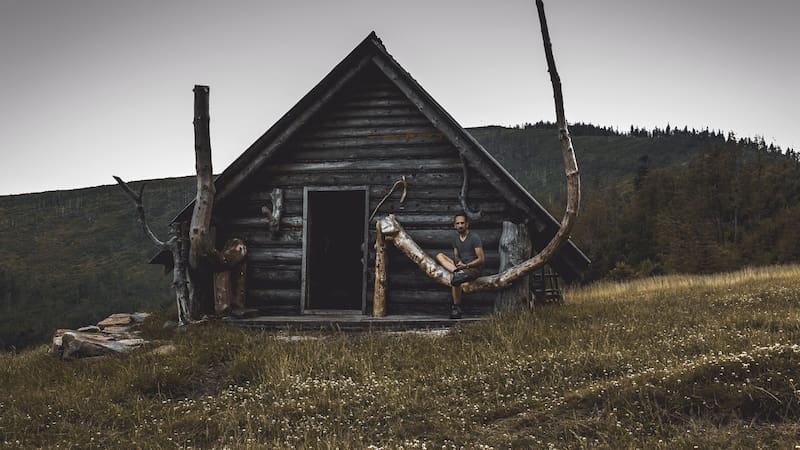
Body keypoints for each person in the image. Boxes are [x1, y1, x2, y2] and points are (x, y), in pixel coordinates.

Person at [435, 213, 485, 319]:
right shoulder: (455, 239)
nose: (460, 225)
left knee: (455, 279)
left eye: (462, 223)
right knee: (439, 256)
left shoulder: (474, 237)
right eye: (458, 223)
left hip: (473, 269)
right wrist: (458, 262)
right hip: (462, 266)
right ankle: (455, 271)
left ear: (467, 224)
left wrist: (466, 266)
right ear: (455, 226)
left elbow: (481, 259)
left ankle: (456, 307)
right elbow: (456, 256)